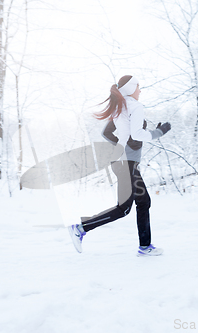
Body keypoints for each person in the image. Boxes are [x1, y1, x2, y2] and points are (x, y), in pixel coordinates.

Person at [68, 75, 171, 256]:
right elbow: (137, 134)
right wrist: (158, 132)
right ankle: (80, 228)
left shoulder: (120, 108)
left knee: (143, 202)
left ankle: (145, 246)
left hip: (122, 161)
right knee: (124, 208)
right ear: (131, 88)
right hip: (127, 164)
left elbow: (107, 132)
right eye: (138, 86)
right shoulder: (136, 107)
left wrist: (123, 143)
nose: (140, 90)